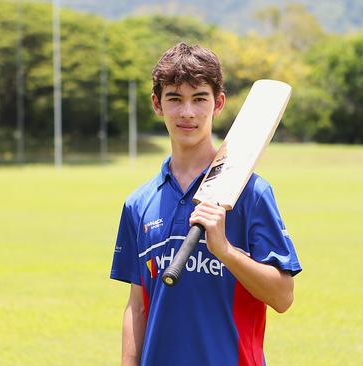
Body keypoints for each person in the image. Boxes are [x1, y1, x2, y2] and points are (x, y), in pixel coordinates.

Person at [110, 42, 301, 366]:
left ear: (218, 103)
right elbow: (138, 304)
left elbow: (283, 297)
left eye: (199, 99)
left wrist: (225, 250)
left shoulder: (252, 194)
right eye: (175, 99)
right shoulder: (139, 203)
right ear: (157, 104)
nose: (188, 112)